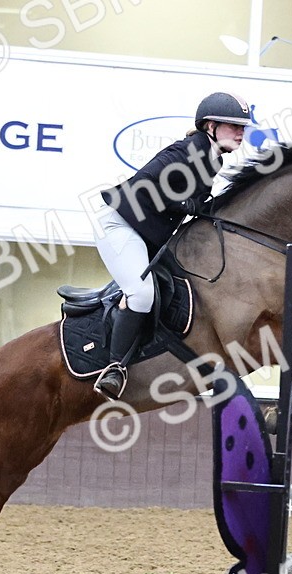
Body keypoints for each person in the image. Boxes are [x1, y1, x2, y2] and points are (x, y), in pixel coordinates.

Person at [91, 91, 251, 399]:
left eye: (243, 126)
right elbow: (142, 187)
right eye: (234, 125)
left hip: (145, 233)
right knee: (141, 293)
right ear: (210, 126)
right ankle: (114, 368)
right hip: (119, 225)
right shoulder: (187, 151)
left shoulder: (211, 159)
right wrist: (184, 203)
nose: (241, 132)